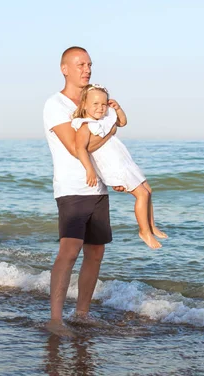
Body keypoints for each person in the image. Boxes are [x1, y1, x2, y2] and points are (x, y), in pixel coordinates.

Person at [42, 46, 122, 336]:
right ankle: (55, 319)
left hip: (98, 188)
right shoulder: (56, 105)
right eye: (80, 64)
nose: (86, 69)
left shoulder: (95, 103)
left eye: (89, 64)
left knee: (96, 251)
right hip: (72, 189)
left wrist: (117, 177)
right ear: (64, 69)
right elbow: (78, 149)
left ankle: (82, 314)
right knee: (69, 250)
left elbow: (106, 153)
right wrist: (111, 129)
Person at [72, 84, 167, 250]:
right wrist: (90, 170)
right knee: (142, 195)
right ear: (84, 104)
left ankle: (151, 225)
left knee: (148, 191)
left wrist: (119, 108)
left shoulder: (105, 120)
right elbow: (80, 149)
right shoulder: (85, 126)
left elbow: (122, 122)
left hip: (125, 161)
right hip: (114, 167)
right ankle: (144, 231)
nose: (100, 108)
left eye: (103, 104)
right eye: (95, 104)